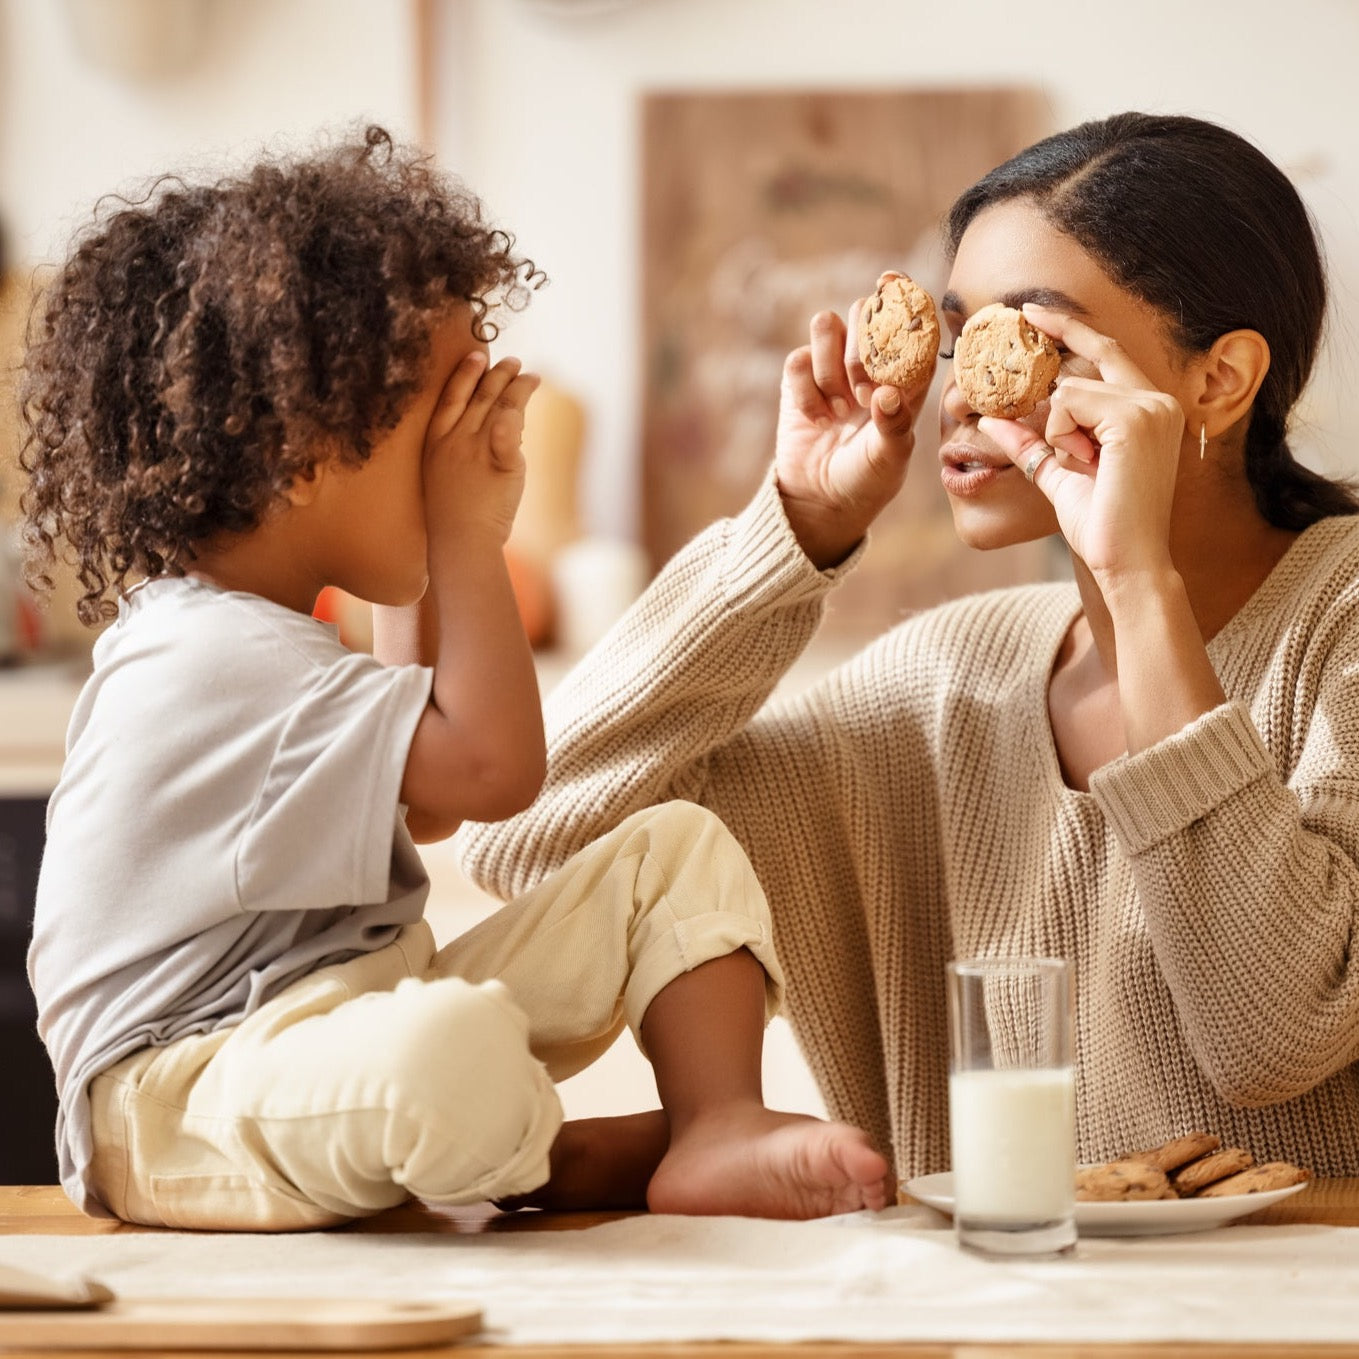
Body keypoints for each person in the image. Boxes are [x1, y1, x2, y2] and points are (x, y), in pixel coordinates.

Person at [459, 111, 1359, 1181]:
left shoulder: (1335, 627)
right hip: (968, 1331)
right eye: (958, 331)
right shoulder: (946, 681)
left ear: (1220, 379)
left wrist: (1136, 578)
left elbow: (1270, 1038)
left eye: (1036, 339)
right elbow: (528, 840)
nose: (965, 392)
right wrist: (794, 526)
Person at [19, 126, 893, 1228]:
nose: (467, 449)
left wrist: (432, 550)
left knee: (669, 850)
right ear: (305, 453)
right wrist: (468, 540)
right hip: (182, 1097)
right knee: (449, 1047)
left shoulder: (258, 636)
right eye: (442, 420)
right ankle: (548, 1164)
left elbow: (425, 803)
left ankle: (714, 1123)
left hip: (339, 1021)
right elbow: (489, 771)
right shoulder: (211, 660)